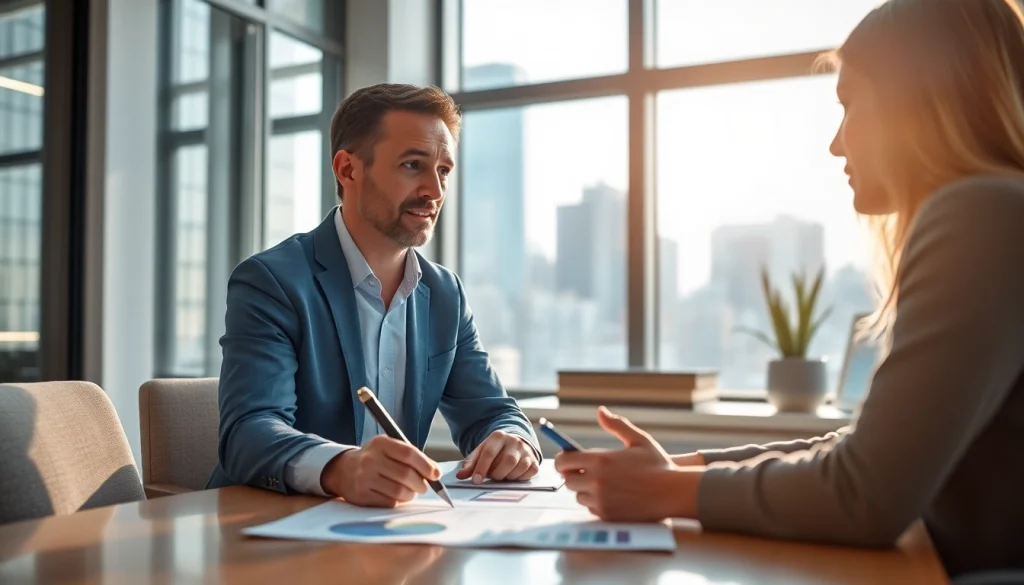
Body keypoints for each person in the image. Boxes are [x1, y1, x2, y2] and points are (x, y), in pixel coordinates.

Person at [554, 0, 1024, 577]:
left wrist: (669, 492)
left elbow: (867, 493)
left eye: (849, 105)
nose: (836, 144)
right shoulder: (996, 212)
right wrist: (681, 468)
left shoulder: (982, 214)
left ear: (918, 103)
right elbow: (864, 450)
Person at [207, 83, 541, 506]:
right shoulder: (272, 281)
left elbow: (494, 410)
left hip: (385, 533)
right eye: (412, 165)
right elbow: (249, 432)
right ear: (348, 170)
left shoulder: (444, 295)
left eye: (443, 171)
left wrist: (512, 440)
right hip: (263, 528)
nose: (434, 192)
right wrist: (340, 467)